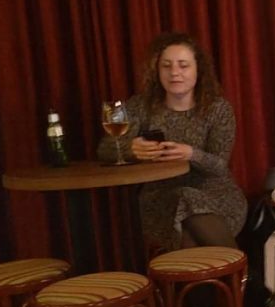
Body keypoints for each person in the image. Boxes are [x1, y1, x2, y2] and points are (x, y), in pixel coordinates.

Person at [98, 31, 248, 252]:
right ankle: (241, 271)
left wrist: (191, 154)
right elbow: (104, 149)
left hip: (215, 193)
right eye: (166, 66)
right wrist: (130, 149)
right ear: (157, 71)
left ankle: (226, 271)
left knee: (189, 220)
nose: (175, 72)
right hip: (160, 196)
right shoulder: (139, 105)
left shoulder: (218, 108)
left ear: (198, 70)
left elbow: (219, 166)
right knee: (185, 207)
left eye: (183, 65)